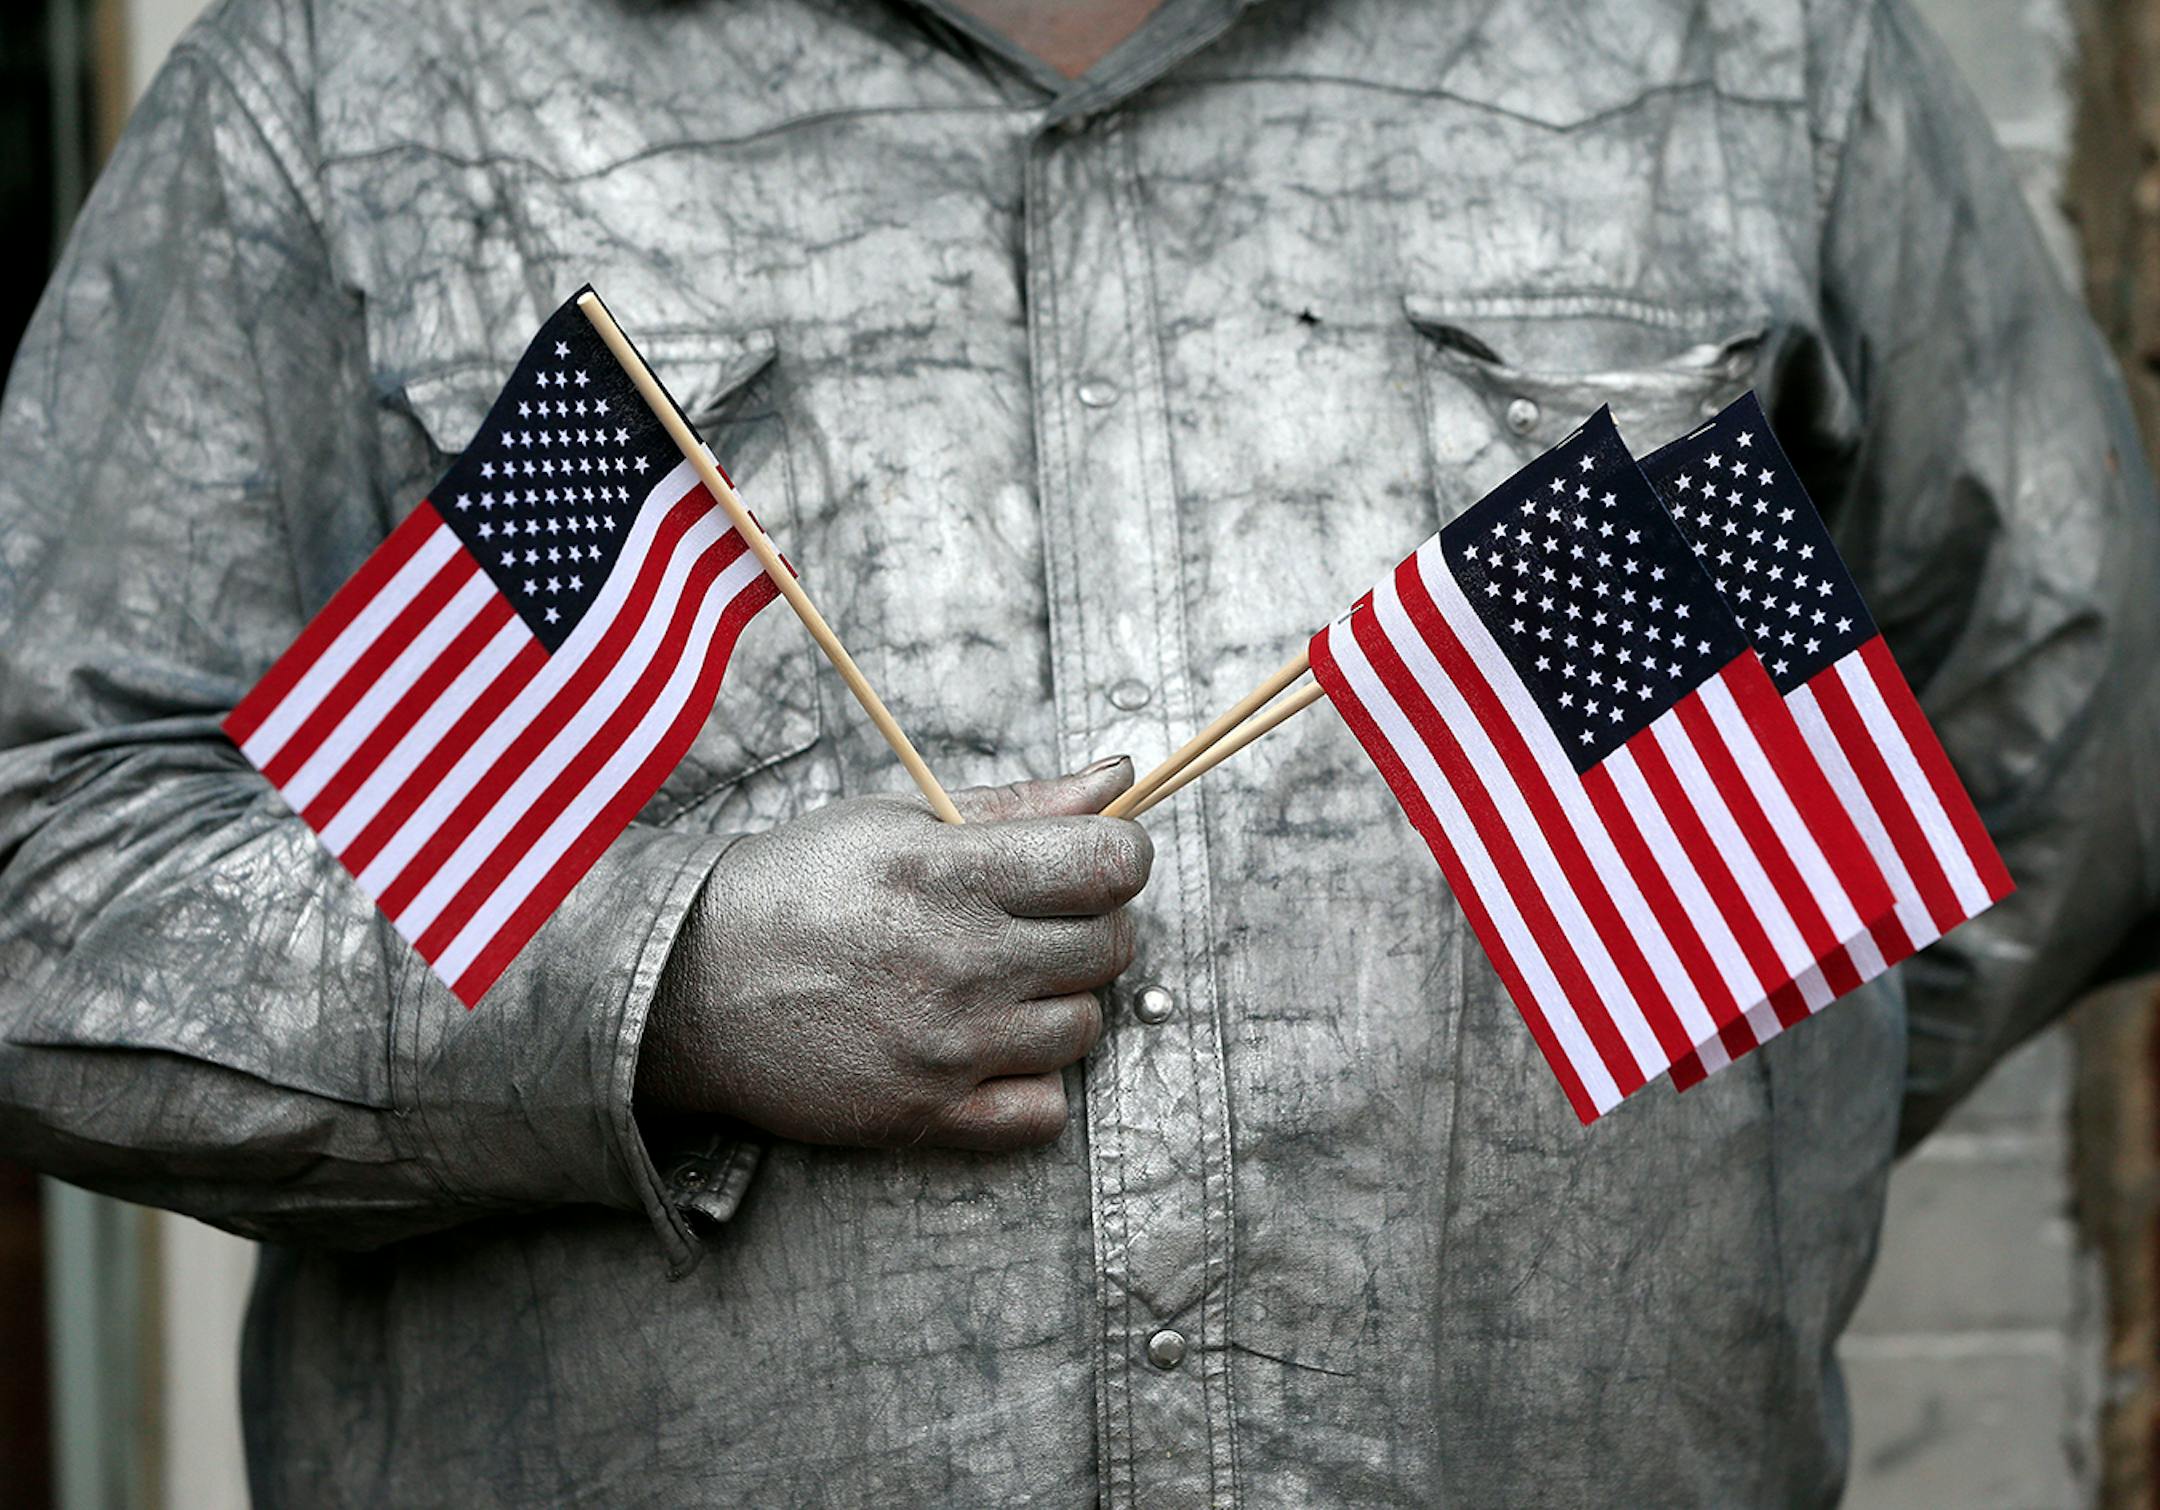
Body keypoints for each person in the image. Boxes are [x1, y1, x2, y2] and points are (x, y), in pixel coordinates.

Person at [2, 0, 2154, 1503]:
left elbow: (2071, 710)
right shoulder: (361, 71)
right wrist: (660, 988)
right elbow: (46, 883)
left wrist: (1677, 1153)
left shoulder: (1742, 37)